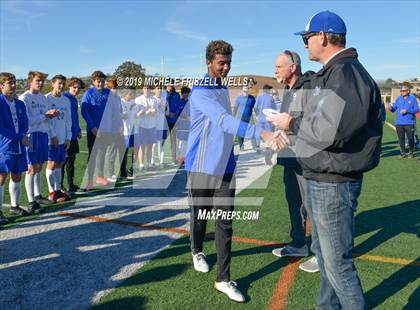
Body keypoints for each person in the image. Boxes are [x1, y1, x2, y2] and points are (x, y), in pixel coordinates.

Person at [268, 11, 382, 309]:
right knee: (329, 263)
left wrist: (289, 124)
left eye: (307, 38)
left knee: (338, 266)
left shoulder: (344, 73)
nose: (305, 44)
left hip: (334, 181)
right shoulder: (336, 72)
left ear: (322, 36)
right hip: (325, 176)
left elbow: (331, 131)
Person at [185, 40, 286, 303]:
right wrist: (260, 132)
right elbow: (223, 120)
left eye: (229, 62)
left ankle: (223, 278)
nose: (226, 67)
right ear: (208, 63)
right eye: (221, 63)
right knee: (200, 216)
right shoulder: (201, 91)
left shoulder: (221, 88)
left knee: (225, 221)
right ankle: (196, 250)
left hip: (225, 166)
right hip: (200, 166)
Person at [270, 51, 319, 273]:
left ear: (293, 67)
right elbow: (288, 124)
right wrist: (278, 134)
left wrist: (289, 126)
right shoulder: (288, 91)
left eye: (279, 66)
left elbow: (314, 124)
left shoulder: (309, 88)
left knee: (313, 206)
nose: (275, 70)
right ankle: (299, 244)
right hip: (290, 157)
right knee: (294, 203)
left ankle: (321, 254)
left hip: (306, 159)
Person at [20, 71, 59, 212]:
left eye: (42, 81)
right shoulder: (24, 98)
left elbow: (46, 119)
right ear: (30, 82)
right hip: (31, 136)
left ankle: (37, 196)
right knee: (31, 169)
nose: (41, 83)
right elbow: (27, 122)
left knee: (38, 167)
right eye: (38, 81)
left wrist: (52, 134)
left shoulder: (43, 98)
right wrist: (44, 115)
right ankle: (31, 202)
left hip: (42, 135)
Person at [0, 72, 31, 223]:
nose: (13, 86)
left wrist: (23, 134)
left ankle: (14, 206)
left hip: (19, 145)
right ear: (1, 86)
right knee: (1, 178)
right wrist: (20, 137)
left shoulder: (20, 103)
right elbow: (1, 128)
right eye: (9, 83)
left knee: (17, 175)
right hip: (5, 146)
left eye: (14, 83)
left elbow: (25, 121)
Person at [81, 71, 118, 190]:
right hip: (94, 130)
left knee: (102, 154)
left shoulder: (109, 93)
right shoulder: (88, 93)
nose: (100, 83)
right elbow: (84, 111)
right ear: (93, 81)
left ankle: (100, 176)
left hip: (106, 130)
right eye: (98, 81)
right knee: (93, 155)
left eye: (102, 81)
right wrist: (92, 127)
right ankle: (89, 180)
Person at [45, 75, 72, 203]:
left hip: (63, 137)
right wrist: (52, 135)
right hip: (51, 138)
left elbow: (68, 120)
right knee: (51, 163)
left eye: (63, 83)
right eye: (59, 83)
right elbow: (45, 120)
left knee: (60, 164)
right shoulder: (46, 99)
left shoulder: (66, 100)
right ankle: (51, 192)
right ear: (53, 84)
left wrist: (68, 137)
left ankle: (57, 189)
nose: (61, 86)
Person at [62, 77, 85, 193]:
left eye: (78, 88)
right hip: (65, 135)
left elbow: (75, 117)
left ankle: (71, 185)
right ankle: (59, 187)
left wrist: (78, 129)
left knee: (72, 160)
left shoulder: (75, 100)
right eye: (74, 87)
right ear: (69, 86)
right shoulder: (64, 98)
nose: (76, 90)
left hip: (73, 134)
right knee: (62, 162)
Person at [389, 85, 419, 158]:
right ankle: (403, 153)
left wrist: (407, 111)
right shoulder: (398, 99)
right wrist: (391, 108)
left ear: (408, 91)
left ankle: (411, 152)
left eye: (403, 91)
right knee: (401, 139)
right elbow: (394, 109)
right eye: (401, 91)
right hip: (399, 123)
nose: (402, 92)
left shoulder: (413, 98)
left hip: (409, 123)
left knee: (410, 138)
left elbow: (417, 109)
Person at [135, 85, 158, 171]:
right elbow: (136, 114)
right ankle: (141, 164)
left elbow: (155, 112)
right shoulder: (138, 99)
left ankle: (149, 164)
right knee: (142, 146)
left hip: (152, 126)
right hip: (142, 126)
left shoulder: (154, 99)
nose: (146, 90)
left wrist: (154, 112)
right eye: (145, 88)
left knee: (150, 146)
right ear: (142, 89)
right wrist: (146, 112)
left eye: (148, 88)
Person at [254, 84, 276, 164]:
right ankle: (268, 157)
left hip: (260, 119)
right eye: (269, 89)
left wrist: (257, 115)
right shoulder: (271, 98)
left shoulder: (259, 98)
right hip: (268, 120)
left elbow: (255, 107)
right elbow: (274, 109)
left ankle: (257, 147)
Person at [233, 86, 256, 151]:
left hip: (250, 117)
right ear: (242, 90)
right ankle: (241, 146)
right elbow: (235, 108)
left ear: (248, 90)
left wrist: (257, 115)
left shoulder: (252, 98)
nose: (245, 91)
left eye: (247, 89)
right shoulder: (239, 98)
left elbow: (255, 107)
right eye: (244, 89)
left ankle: (254, 147)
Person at [120, 89, 138, 177]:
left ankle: (133, 169)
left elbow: (137, 113)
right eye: (130, 93)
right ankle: (123, 171)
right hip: (125, 131)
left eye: (133, 93)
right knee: (124, 151)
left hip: (134, 130)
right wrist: (131, 108)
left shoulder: (134, 102)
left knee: (136, 150)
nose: (132, 95)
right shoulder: (121, 102)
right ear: (126, 93)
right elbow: (124, 115)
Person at [162, 82, 181, 165]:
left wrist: (174, 113)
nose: (170, 86)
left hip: (173, 121)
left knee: (173, 141)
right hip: (164, 121)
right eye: (168, 84)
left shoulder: (177, 95)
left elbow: (179, 106)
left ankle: (174, 159)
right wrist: (166, 113)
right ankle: (160, 161)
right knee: (162, 140)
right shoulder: (163, 94)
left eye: (171, 84)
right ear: (166, 85)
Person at [151, 86, 168, 168]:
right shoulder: (152, 99)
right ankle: (152, 162)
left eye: (160, 88)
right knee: (153, 144)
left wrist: (164, 106)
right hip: (154, 125)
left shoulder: (164, 99)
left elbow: (167, 112)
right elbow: (151, 112)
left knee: (161, 144)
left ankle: (161, 162)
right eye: (157, 88)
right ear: (154, 90)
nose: (159, 90)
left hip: (163, 125)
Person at [176, 86, 191, 164]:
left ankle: (186, 158)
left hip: (189, 126)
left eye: (187, 93)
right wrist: (186, 117)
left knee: (187, 143)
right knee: (181, 143)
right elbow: (178, 113)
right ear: (182, 94)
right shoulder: (179, 102)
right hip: (181, 126)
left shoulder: (191, 103)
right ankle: (180, 158)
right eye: (184, 93)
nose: (185, 94)